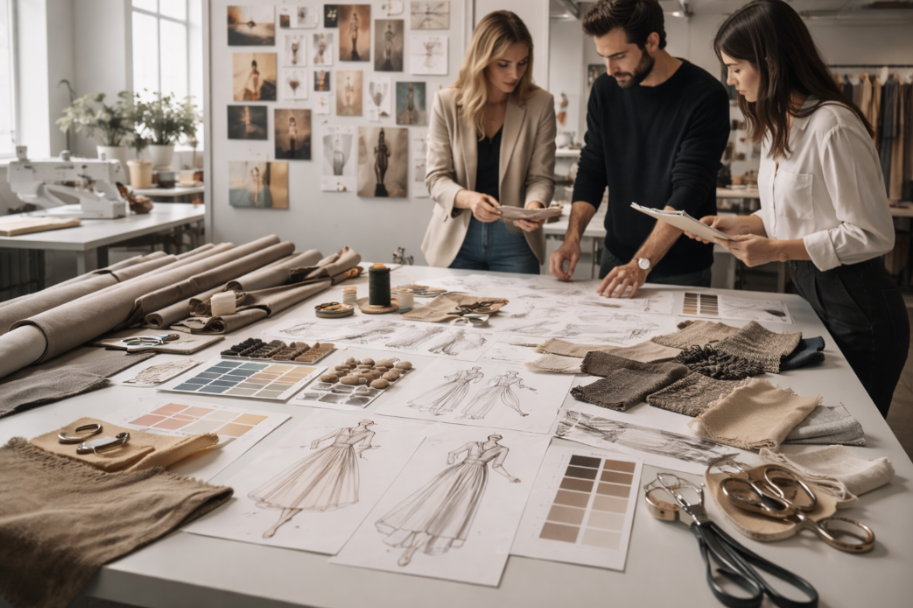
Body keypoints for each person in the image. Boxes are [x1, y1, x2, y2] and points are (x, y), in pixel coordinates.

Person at [687, 0, 907, 418]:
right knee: (817, 421)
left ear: (769, 62)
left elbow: (873, 234)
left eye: (735, 67)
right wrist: (742, 224)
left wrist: (776, 251)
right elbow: (795, 214)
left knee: (848, 431)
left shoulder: (833, 124)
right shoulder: (779, 126)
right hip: (812, 293)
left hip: (860, 308)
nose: (731, 80)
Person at [549, 0, 729, 296]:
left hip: (681, 271)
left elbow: (689, 188)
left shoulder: (705, 96)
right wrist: (572, 237)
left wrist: (641, 263)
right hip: (616, 258)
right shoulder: (605, 90)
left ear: (652, 41)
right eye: (603, 56)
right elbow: (593, 168)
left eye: (619, 55)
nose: (609, 69)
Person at [423, 10, 556, 274]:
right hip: (456, 237)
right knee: (450, 314)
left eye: (522, 62)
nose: (515, 74)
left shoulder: (541, 104)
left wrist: (532, 208)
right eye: (503, 64)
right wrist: (470, 199)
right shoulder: (447, 103)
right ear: (481, 60)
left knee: (519, 315)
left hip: (516, 238)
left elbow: (541, 177)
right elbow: (436, 178)